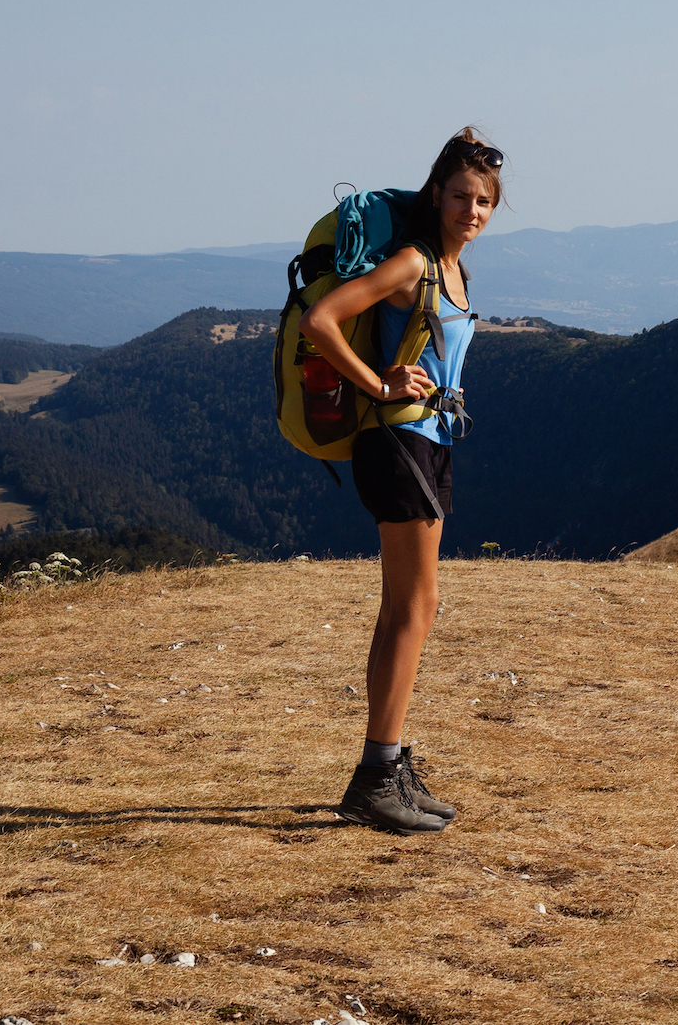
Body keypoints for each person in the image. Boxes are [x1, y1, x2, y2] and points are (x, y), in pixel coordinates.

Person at [299, 128, 504, 834]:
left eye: (482, 200)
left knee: (405, 609)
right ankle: (374, 777)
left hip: (430, 440)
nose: (470, 210)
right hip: (400, 441)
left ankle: (386, 765)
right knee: (416, 608)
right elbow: (322, 318)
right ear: (436, 196)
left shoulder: (453, 268)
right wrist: (378, 384)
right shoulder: (415, 262)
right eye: (459, 197)